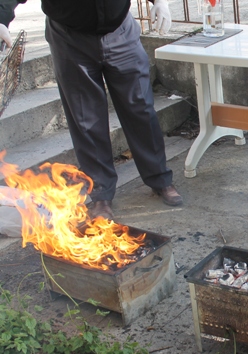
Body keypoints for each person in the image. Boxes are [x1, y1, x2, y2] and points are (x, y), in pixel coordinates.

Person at [0, 0, 182, 221]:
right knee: (87, 119)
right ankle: (101, 194)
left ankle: (160, 179)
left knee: (141, 108)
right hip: (69, 37)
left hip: (120, 30)